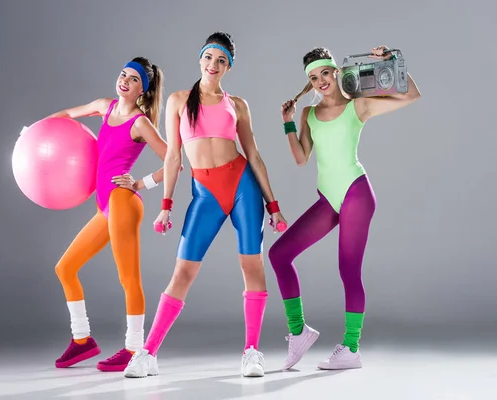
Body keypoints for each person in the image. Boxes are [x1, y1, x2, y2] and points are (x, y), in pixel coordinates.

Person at [123, 32, 287, 379]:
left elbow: (254, 155)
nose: (213, 65)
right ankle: (148, 353)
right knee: (182, 272)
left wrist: (273, 206)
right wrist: (166, 204)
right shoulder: (180, 101)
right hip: (205, 193)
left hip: (243, 186)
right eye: (209, 58)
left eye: (221, 61)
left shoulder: (237, 105)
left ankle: (252, 352)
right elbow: (172, 155)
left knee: (252, 267)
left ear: (228, 67)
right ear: (200, 59)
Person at [268, 46, 421, 370]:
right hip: (328, 197)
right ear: (309, 83)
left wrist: (389, 62)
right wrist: (288, 123)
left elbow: (412, 95)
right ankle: (298, 332)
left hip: (356, 192)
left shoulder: (358, 105)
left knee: (348, 270)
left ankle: (351, 347)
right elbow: (300, 158)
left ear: (337, 72)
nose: (321, 81)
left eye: (325, 73)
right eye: (313, 77)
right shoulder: (308, 114)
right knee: (279, 255)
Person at [48, 56, 173, 372]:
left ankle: (134, 349)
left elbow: (175, 160)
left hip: (122, 200)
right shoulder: (105, 107)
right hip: (106, 206)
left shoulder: (140, 122)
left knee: (128, 276)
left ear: (141, 90)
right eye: (123, 74)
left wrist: (142, 183)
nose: (124, 81)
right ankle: (82, 340)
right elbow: (64, 116)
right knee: (65, 268)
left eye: (133, 80)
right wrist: (35, 135)